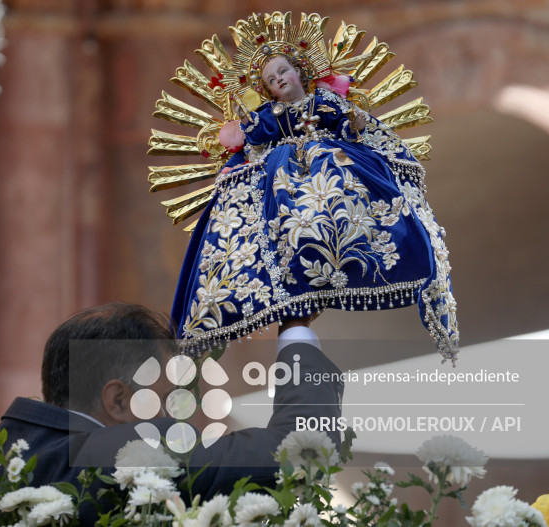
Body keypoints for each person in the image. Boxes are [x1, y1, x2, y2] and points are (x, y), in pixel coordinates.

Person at [170, 13, 459, 364]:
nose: (279, 81)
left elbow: (347, 122)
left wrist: (355, 122)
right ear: (267, 90)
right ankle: (297, 257)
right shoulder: (271, 115)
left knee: (345, 182)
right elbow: (255, 137)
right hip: (285, 180)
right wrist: (246, 126)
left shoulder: (325, 101)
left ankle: (353, 242)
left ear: (300, 71)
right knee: (286, 212)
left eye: (283, 72)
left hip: (333, 166)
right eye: (272, 81)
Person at [0, 302, 342, 524]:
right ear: (117, 400)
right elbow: (303, 449)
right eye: (168, 401)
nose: (177, 418)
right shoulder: (128, 451)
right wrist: (296, 327)